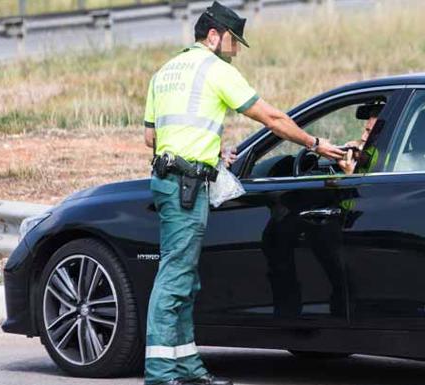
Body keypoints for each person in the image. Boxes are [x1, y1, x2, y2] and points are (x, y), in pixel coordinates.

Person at [141, 2, 345, 385]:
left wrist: (209, 150)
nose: (234, 53)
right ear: (214, 35)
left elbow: (152, 137)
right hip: (187, 186)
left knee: (185, 278)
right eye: (233, 43)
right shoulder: (214, 70)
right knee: (174, 278)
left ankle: (185, 365)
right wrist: (314, 143)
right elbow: (271, 118)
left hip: (170, 180)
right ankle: (160, 371)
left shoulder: (164, 72)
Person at [337, 101, 384, 175]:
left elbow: (370, 185)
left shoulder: (385, 161)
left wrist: (351, 174)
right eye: (366, 130)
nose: (363, 137)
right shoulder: (383, 152)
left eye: (370, 133)